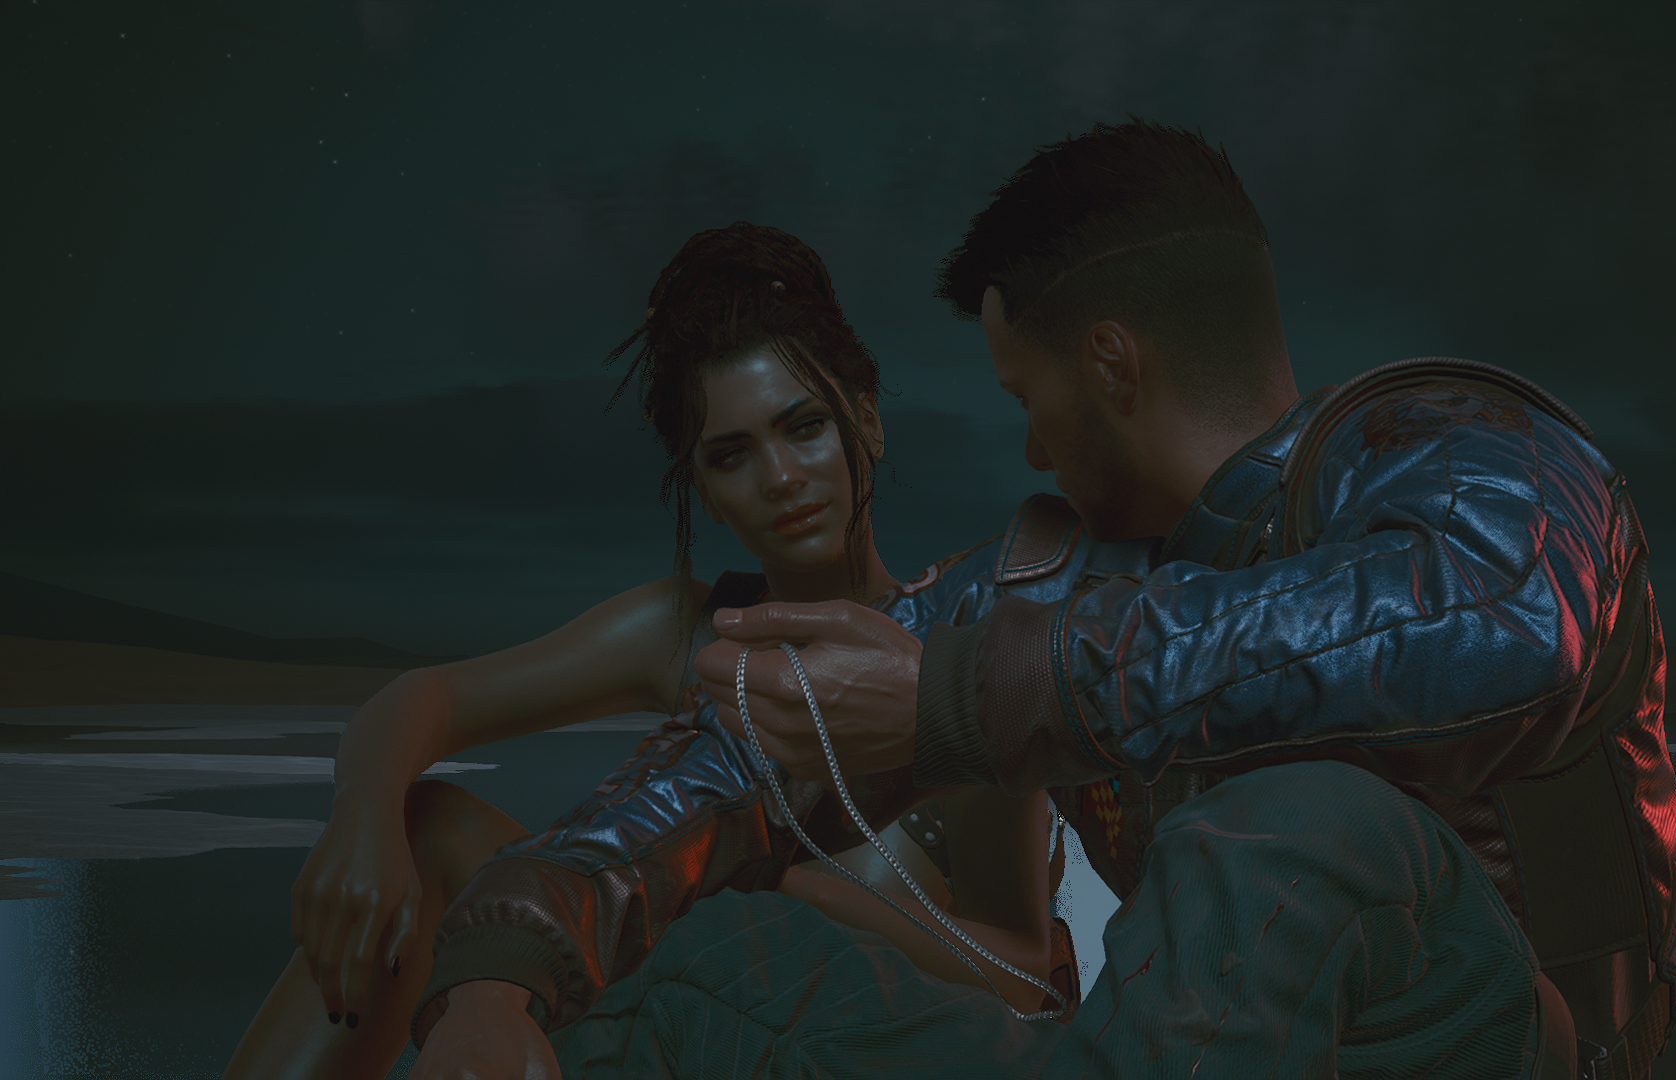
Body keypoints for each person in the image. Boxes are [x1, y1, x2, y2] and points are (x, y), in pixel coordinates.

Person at [411, 120, 1676, 1080]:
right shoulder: (1042, 583)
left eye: (1029, 399)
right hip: (1172, 1048)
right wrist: (501, 972)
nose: (1027, 448)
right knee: (698, 970)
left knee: (1298, 820)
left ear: (1112, 365)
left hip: (1507, 1038)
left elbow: (1499, 628)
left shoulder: (1467, 458)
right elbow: (725, 772)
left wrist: (974, 696)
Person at [220, 223, 1065, 1080]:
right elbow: (425, 699)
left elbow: (1024, 977)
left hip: (831, 1034)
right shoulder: (685, 632)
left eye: (805, 427)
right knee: (427, 827)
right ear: (707, 491)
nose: (780, 477)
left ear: (868, 424)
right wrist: (362, 821)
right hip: (643, 995)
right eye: (732, 455)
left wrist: (787, 895)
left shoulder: (944, 660)